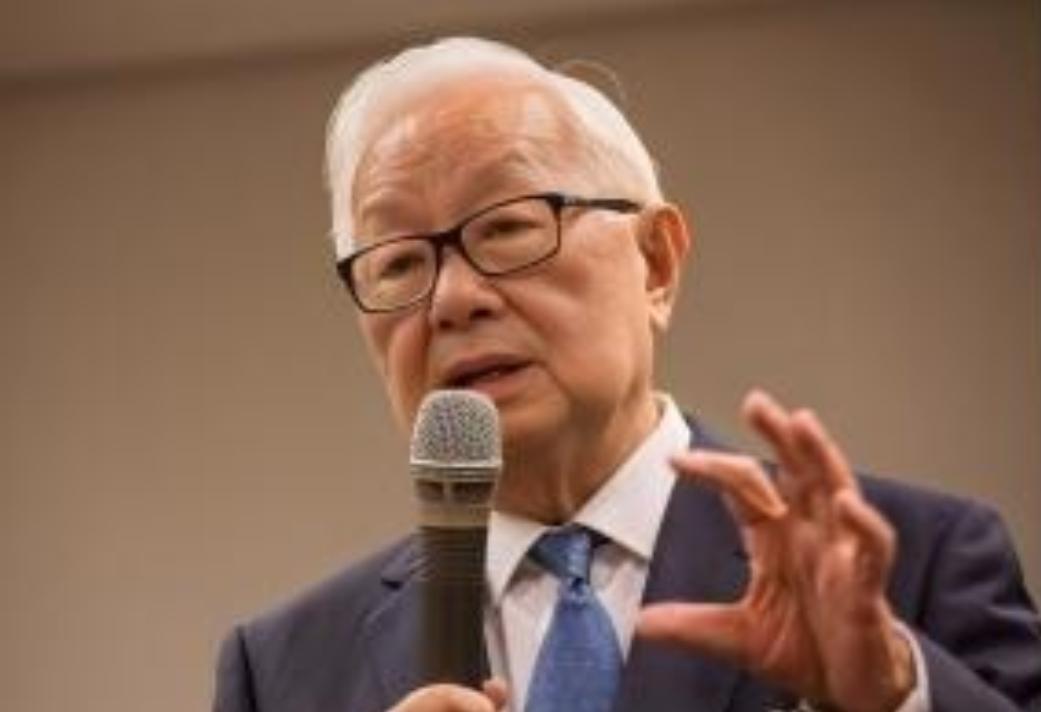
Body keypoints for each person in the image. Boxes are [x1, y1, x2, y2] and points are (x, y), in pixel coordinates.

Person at [213, 37, 1041, 712]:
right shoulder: (282, 668)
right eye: (397, 264)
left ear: (655, 262)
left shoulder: (910, 567)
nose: (453, 300)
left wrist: (892, 695)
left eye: (507, 227)